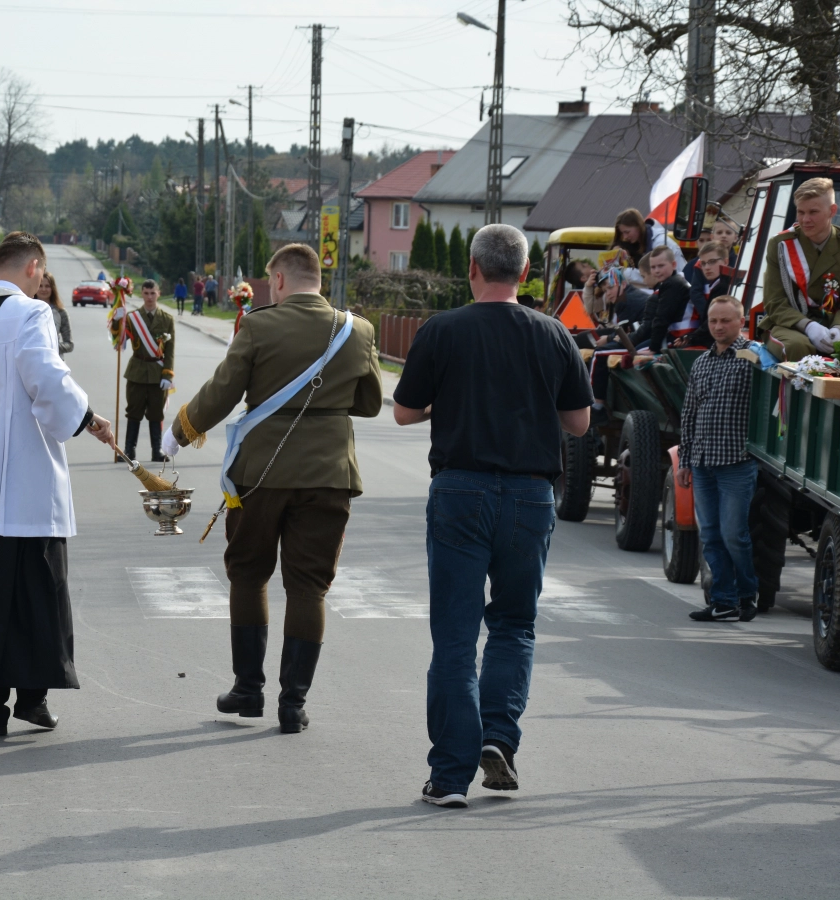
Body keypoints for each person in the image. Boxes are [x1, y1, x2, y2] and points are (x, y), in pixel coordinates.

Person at [392, 224, 592, 807]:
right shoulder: (554, 334)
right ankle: (500, 738)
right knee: (513, 625)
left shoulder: (442, 330)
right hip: (531, 496)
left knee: (454, 636)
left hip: (460, 489)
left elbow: (404, 412)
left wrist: (448, 403)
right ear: (524, 274)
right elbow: (577, 424)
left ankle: (450, 775)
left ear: (472, 270)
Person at [163, 243, 383, 734]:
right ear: (317, 278)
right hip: (329, 475)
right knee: (309, 587)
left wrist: (179, 432)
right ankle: (293, 703)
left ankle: (248, 690)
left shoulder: (259, 325)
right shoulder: (357, 329)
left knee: (248, 574)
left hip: (260, 473)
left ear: (278, 281)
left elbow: (222, 393)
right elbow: (369, 404)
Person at [0, 231, 115, 736]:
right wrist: (84, 417)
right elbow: (46, 379)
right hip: (18, 480)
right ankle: (33, 695)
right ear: (34, 267)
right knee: (35, 589)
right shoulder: (32, 315)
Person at [679, 296, 759, 621]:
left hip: (737, 463)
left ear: (741, 322)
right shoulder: (702, 362)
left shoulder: (753, 358)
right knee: (710, 535)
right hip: (702, 462)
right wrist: (685, 459)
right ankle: (723, 601)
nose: (718, 327)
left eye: (725, 320)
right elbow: (689, 413)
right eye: (713, 321)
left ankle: (748, 593)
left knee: (733, 534)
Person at [758, 177, 840, 360]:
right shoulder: (781, 245)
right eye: (801, 212)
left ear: (832, 211)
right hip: (790, 324)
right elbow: (774, 301)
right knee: (797, 347)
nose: (805, 220)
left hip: (835, 323)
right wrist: (808, 326)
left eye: (813, 212)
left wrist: (838, 329)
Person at [113, 280, 173, 461]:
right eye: (146, 293)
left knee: (156, 413)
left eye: (152, 293)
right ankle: (128, 450)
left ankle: (157, 451)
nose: (149, 297)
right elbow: (118, 339)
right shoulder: (132, 318)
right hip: (137, 371)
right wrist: (117, 320)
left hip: (157, 373)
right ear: (142, 294)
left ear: (158, 294)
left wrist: (167, 374)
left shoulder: (167, 319)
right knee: (134, 412)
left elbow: (170, 351)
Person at [629, 247, 689, 354]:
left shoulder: (672, 285)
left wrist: (653, 349)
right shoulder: (675, 281)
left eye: (661, 266)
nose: (656, 271)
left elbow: (662, 318)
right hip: (677, 336)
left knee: (635, 353)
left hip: (679, 338)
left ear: (674, 265)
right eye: (653, 267)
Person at [677, 241, 732, 349]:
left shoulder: (724, 287)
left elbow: (712, 325)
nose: (706, 267)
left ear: (725, 261)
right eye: (703, 263)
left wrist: (691, 337)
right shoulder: (718, 285)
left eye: (712, 262)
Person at [610, 208, 686, 285]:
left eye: (627, 232)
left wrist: (622, 272)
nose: (625, 237)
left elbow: (653, 276)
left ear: (638, 226)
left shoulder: (660, 243)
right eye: (622, 233)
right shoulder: (640, 243)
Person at [35, 272, 72, 355]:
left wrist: (52, 347)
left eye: (47, 286)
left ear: (52, 288)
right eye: (40, 286)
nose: (43, 289)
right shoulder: (28, 310)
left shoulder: (61, 312)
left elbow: (69, 344)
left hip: (54, 362)